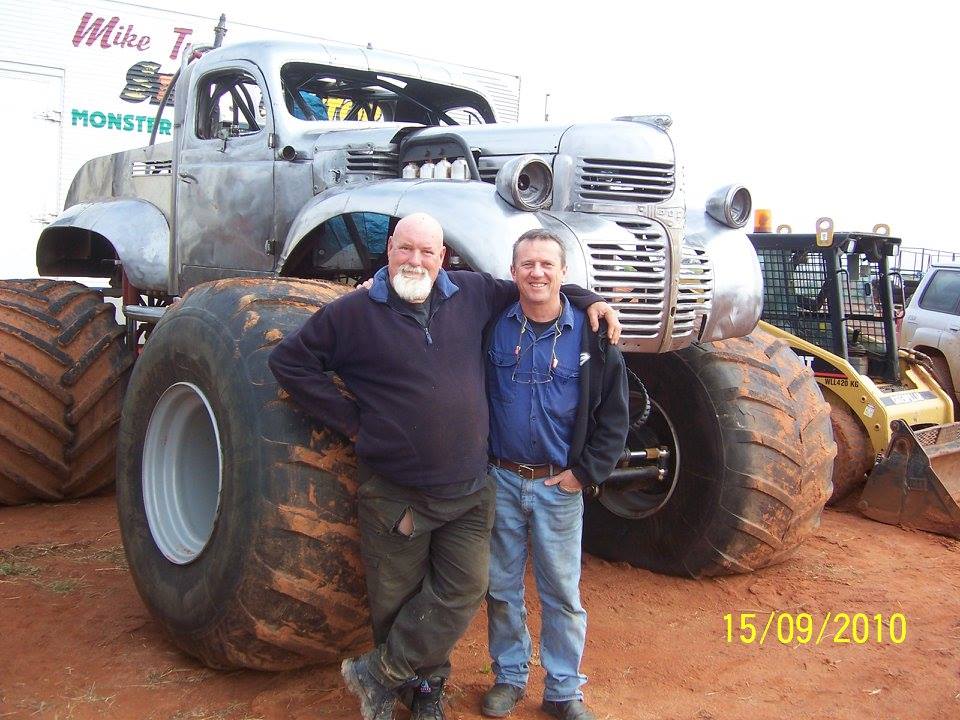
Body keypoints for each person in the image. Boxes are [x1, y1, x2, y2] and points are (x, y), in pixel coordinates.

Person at [268, 213, 619, 720]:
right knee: (398, 596)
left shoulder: (472, 294)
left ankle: (382, 675)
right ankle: (418, 692)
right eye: (405, 249)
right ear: (389, 249)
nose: (415, 260)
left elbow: (537, 286)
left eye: (427, 252)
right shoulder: (352, 313)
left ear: (442, 258)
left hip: (471, 490)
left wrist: (590, 300)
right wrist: (353, 423)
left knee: (468, 588)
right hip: (397, 490)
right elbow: (290, 362)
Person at [482, 230, 629, 720]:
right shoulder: (492, 326)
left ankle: (564, 691)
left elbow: (615, 416)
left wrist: (583, 474)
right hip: (502, 480)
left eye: (547, 264)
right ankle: (509, 678)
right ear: (513, 271)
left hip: (558, 486)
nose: (537, 273)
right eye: (527, 264)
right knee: (501, 588)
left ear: (565, 272)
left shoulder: (593, 336)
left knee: (562, 594)